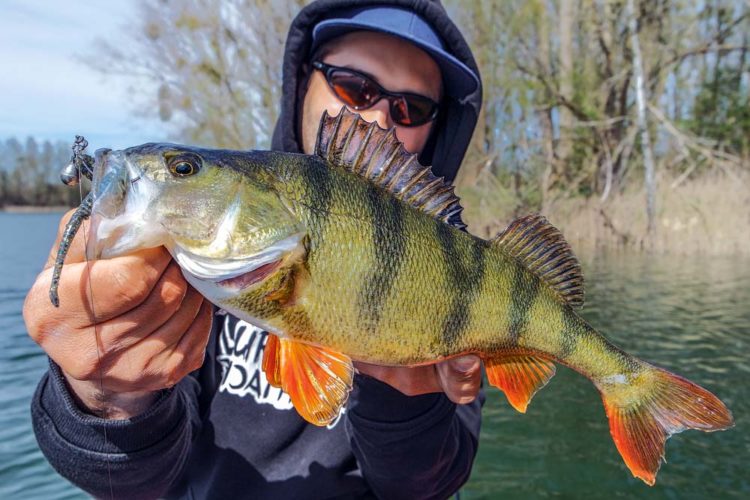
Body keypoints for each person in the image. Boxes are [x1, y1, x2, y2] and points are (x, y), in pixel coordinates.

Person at [24, 1, 484, 498]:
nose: (376, 118)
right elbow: (134, 483)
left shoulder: (460, 273)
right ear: (303, 81)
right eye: (356, 86)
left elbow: (427, 486)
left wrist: (407, 398)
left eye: (411, 109)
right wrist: (110, 396)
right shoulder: (194, 257)